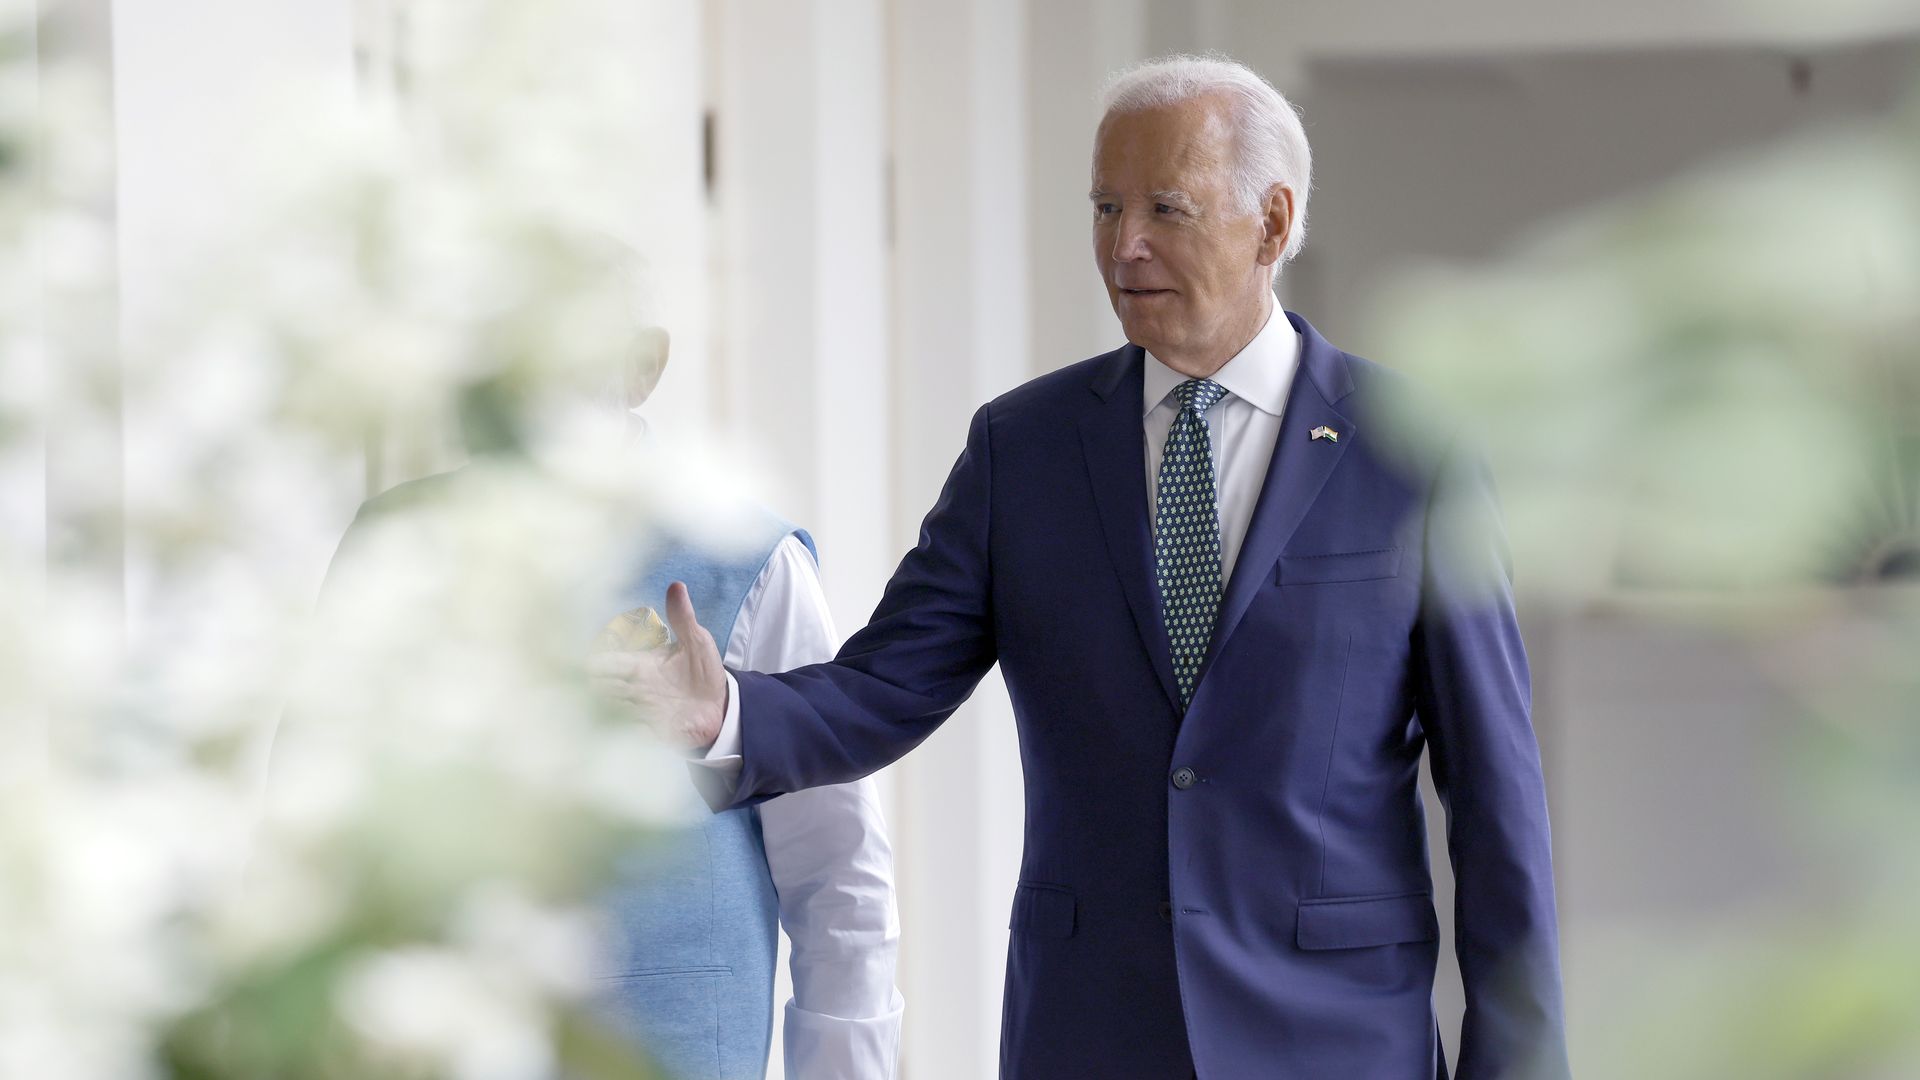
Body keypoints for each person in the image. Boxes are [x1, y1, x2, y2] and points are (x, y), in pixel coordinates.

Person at [604, 54, 1570, 1079]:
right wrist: (724, 718)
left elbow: (1495, 801)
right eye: (1105, 208)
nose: (1126, 246)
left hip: (1331, 1038)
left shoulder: (1411, 452)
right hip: (1091, 1031)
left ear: (1274, 225)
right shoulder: (1024, 449)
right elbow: (885, 685)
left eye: (1166, 207)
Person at [313, 328, 904, 1079]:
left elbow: (837, 868)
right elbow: (312, 828)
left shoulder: (742, 553)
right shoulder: (394, 545)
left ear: (645, 363)